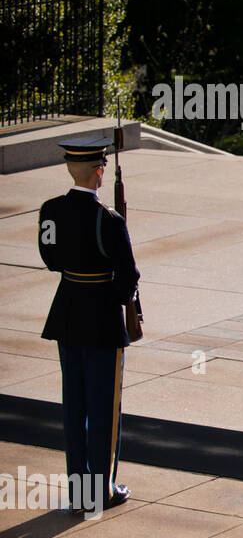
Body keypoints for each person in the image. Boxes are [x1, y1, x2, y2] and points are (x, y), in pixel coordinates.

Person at [37, 136, 140, 515]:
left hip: (66, 314)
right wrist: (119, 301)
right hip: (100, 321)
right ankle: (102, 489)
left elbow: (50, 259)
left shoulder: (50, 210)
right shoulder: (108, 219)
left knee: (74, 404)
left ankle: (79, 488)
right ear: (99, 171)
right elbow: (128, 275)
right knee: (103, 408)